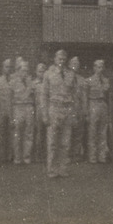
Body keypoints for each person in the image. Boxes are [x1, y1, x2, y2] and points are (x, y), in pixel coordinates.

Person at [40, 49, 77, 178]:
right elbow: (44, 95)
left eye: (63, 59)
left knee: (65, 142)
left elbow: (74, 95)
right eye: (59, 59)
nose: (61, 61)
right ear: (55, 60)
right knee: (52, 142)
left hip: (67, 109)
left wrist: (73, 113)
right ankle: (52, 170)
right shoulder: (48, 74)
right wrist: (44, 114)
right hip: (54, 109)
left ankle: (63, 169)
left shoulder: (71, 74)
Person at [10, 58, 37, 165]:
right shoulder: (13, 82)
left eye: (27, 70)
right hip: (18, 108)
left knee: (29, 133)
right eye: (23, 70)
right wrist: (12, 114)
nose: (25, 72)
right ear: (18, 70)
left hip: (29, 108)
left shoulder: (31, 82)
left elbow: (34, 98)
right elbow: (10, 100)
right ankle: (17, 157)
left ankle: (26, 157)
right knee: (17, 134)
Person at [85, 59, 111, 164]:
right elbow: (86, 97)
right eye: (98, 67)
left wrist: (108, 110)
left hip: (103, 105)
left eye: (101, 67)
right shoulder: (89, 81)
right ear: (94, 68)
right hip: (93, 104)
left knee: (102, 132)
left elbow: (108, 97)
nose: (100, 69)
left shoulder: (106, 81)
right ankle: (92, 157)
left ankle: (102, 156)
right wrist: (86, 111)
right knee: (92, 132)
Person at [0, 58, 14, 165]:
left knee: (10, 134)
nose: (8, 69)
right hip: (1, 111)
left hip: (11, 111)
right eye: (6, 67)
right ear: (2, 68)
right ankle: (0, 157)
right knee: (0, 135)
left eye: (9, 67)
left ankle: (9, 157)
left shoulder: (14, 80)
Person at [68, 56, 86, 162]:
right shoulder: (65, 77)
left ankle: (76, 154)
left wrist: (84, 110)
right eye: (73, 64)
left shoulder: (82, 80)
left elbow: (84, 96)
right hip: (68, 107)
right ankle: (67, 154)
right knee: (68, 132)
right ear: (69, 65)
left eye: (77, 64)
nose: (75, 66)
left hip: (78, 107)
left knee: (78, 132)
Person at [33, 61, 47, 158]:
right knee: (38, 132)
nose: (41, 73)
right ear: (36, 72)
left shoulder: (49, 83)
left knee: (48, 132)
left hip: (47, 110)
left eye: (43, 71)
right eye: (39, 71)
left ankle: (46, 153)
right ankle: (37, 153)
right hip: (37, 110)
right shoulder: (33, 84)